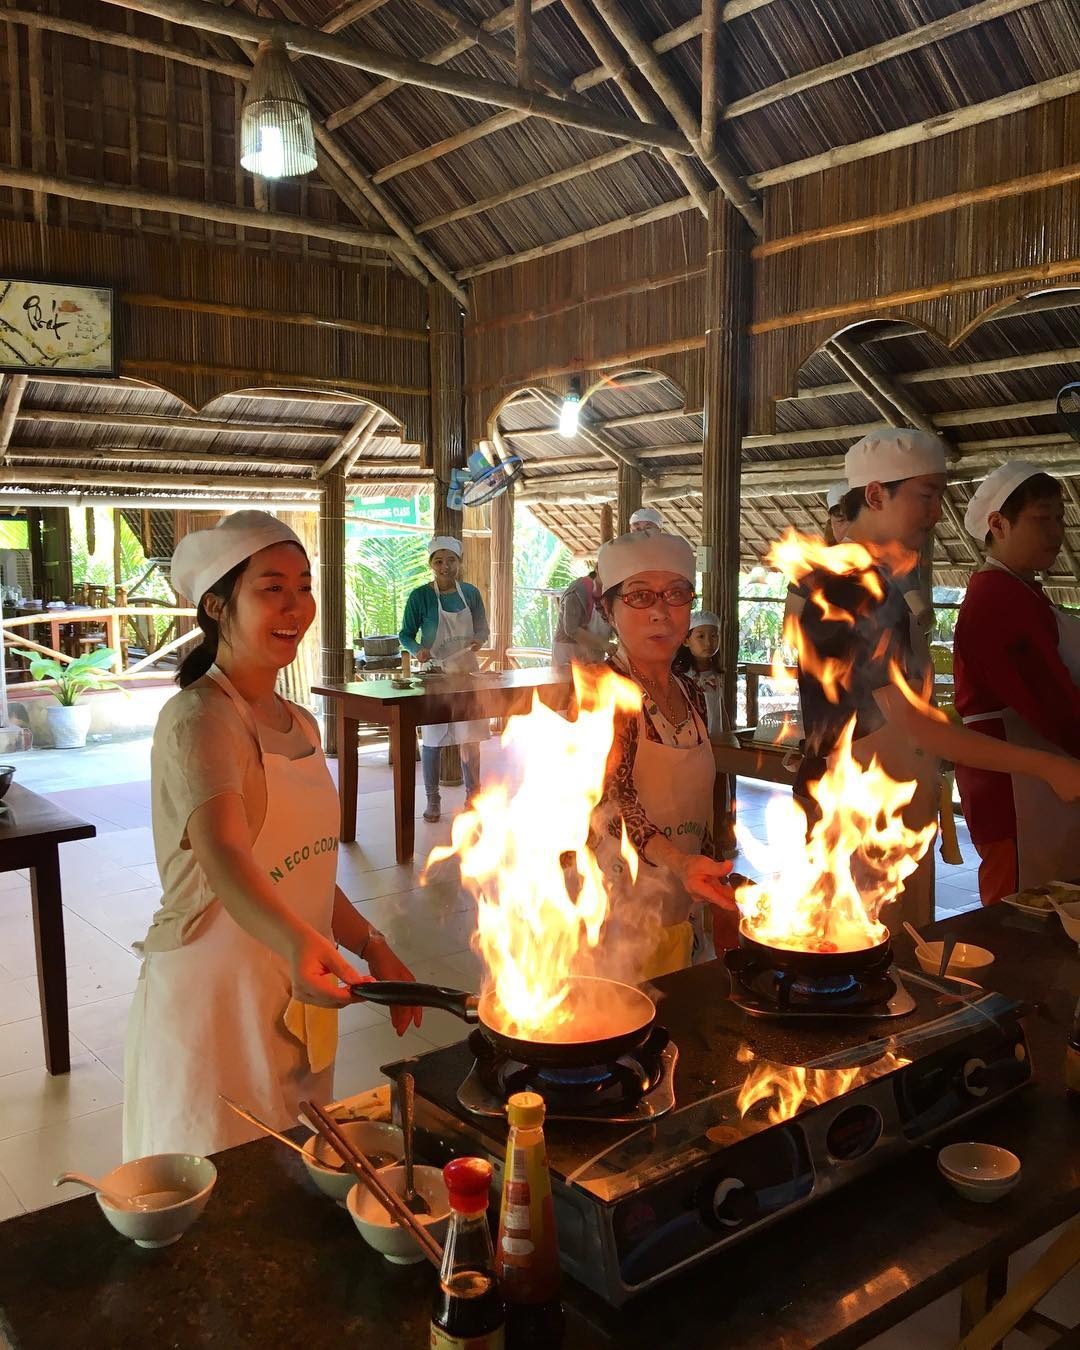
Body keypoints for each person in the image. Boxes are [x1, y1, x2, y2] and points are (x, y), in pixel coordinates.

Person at [124, 511, 420, 1161]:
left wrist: (372, 943)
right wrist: (297, 943)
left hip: (293, 983)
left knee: (294, 1172)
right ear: (217, 604)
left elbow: (304, 869)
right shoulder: (198, 718)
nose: (296, 606)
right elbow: (225, 850)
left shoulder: (304, 723)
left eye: (304, 586)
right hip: (215, 999)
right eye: (271, 588)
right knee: (220, 1184)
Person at [790, 427, 1080, 930]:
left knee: (891, 954)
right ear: (876, 494)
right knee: (853, 957)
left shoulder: (879, 582)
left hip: (889, 797)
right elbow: (914, 724)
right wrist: (1046, 766)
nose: (936, 512)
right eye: (926, 496)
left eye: (940, 497)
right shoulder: (848, 584)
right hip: (854, 803)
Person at [591, 532, 736, 978]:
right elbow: (614, 804)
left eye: (676, 594)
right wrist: (680, 862)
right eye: (639, 596)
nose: (660, 611)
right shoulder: (603, 693)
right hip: (617, 911)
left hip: (681, 901)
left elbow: (702, 796)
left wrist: (714, 869)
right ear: (608, 610)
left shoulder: (689, 691)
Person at [953, 461, 1080, 904]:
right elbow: (1047, 698)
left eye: (1060, 519)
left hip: (1036, 778)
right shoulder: (996, 599)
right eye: (1041, 519)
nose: (1055, 532)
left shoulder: (1022, 590)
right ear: (998, 524)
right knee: (1019, 910)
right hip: (1013, 785)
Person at [399, 534, 490, 823]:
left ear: (459, 562)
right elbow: (405, 634)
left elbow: (483, 629)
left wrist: (478, 640)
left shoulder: (471, 593)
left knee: (470, 737)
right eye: (439, 561)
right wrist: (417, 650)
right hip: (435, 676)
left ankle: (473, 796)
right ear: (431, 564)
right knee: (433, 739)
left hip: (466, 674)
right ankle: (433, 800)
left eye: (451, 560)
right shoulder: (421, 596)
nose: (445, 566)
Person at [552, 569, 613, 665]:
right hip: (569, 651)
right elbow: (572, 629)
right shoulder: (577, 591)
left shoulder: (610, 593)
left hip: (594, 657)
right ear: (597, 569)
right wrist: (604, 645)